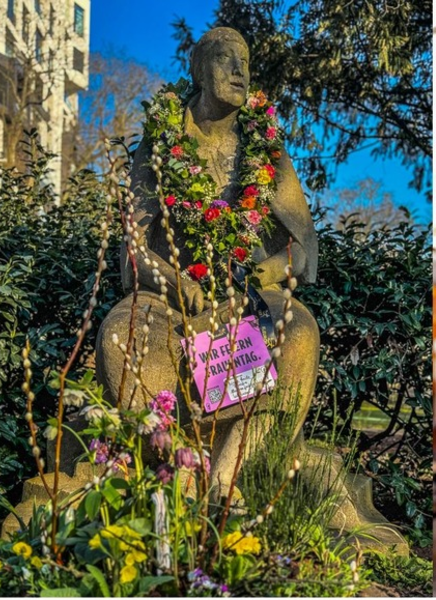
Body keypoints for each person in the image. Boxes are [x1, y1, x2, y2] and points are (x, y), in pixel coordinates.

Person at [96, 27, 320, 498]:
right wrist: (175, 281)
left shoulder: (267, 147)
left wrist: (260, 275)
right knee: (120, 337)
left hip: (250, 297)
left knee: (298, 333)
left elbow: (300, 250)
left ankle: (225, 477)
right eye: (225, 59)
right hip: (169, 298)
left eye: (246, 62)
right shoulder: (162, 141)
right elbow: (134, 247)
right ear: (199, 71)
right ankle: (174, 465)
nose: (240, 71)